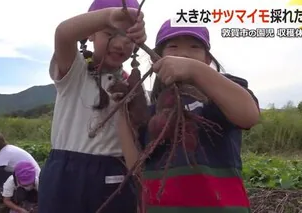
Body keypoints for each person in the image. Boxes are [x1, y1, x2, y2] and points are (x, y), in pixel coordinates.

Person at [116, 20, 260, 212]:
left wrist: (194, 70)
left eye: (194, 47)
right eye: (173, 47)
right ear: (156, 60)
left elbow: (249, 115)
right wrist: (121, 110)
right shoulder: (152, 112)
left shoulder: (217, 98)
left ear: (207, 60)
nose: (183, 54)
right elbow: (135, 165)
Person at [37, 0, 146, 212]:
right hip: (64, 176)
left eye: (127, 36)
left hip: (114, 175)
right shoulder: (74, 70)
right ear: (90, 35)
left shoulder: (133, 87)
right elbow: (63, 33)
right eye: (109, 34)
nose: (119, 44)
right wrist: (108, 16)